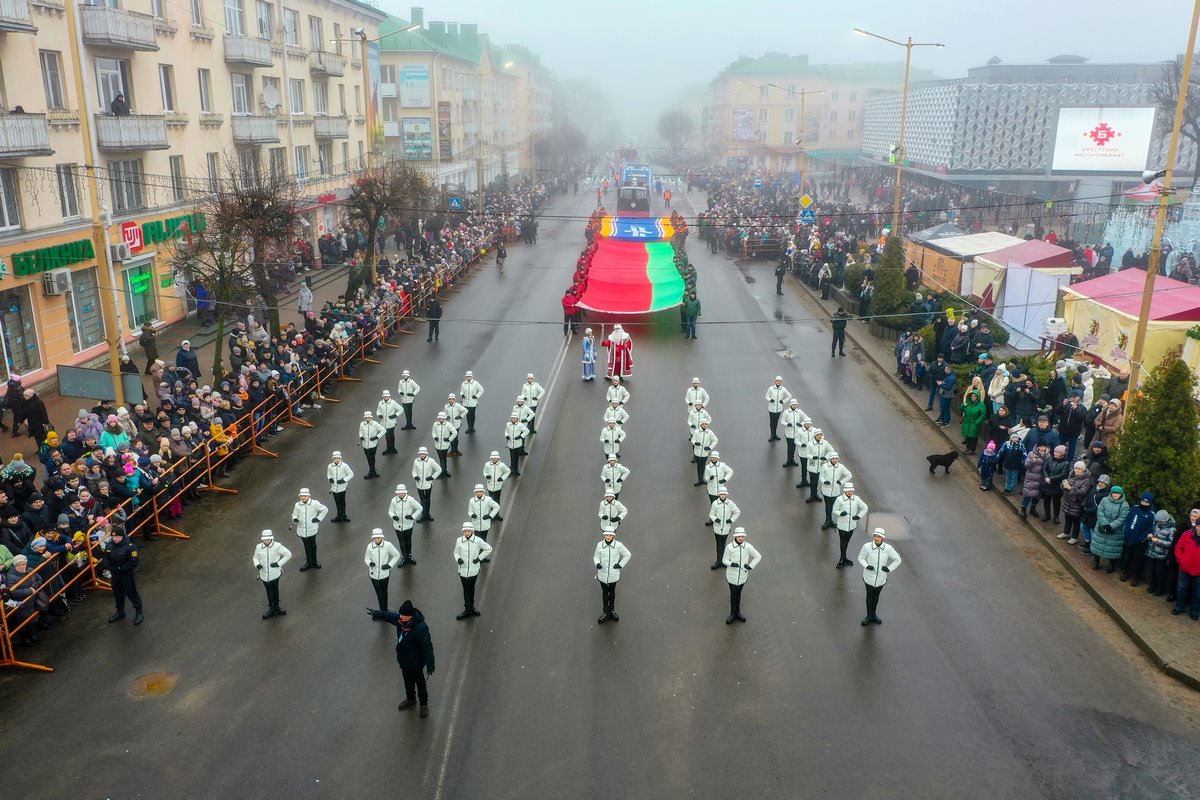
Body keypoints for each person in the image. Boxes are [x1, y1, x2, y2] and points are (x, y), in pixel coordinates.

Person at [369, 600, 436, 718]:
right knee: (407, 681)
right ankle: (410, 699)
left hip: (416, 662)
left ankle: (423, 705)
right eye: (401, 615)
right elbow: (389, 616)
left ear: (411, 616)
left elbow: (427, 647)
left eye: (404, 616)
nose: (402, 618)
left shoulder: (421, 628)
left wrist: (430, 665)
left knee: (420, 684)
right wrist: (376, 613)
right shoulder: (400, 620)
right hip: (404, 660)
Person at [98, 525, 143, 625]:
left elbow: (133, 562)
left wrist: (120, 568)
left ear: (121, 536)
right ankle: (120, 611)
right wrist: (110, 567)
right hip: (115, 575)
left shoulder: (130, 547)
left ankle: (138, 610)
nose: (114, 539)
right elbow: (105, 558)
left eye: (116, 537)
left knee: (132, 593)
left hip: (126, 575)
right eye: (113, 537)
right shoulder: (110, 545)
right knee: (117, 593)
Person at [858, 528, 901, 626]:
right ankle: (869, 616)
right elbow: (860, 558)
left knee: (876, 596)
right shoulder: (867, 547)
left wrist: (889, 568)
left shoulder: (888, 548)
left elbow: (898, 559)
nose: (876, 538)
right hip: (869, 578)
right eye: (875, 536)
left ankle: (874, 614)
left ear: (883, 538)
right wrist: (866, 565)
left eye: (879, 537)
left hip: (881, 578)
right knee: (869, 596)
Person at [453, 522, 492, 620]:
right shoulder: (459, 541)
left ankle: (472, 608)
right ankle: (467, 609)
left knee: (472, 589)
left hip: (474, 570)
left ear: (472, 531)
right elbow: (456, 553)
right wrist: (458, 559)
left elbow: (488, 548)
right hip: (463, 570)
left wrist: (479, 558)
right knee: (466, 590)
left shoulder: (478, 541)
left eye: (468, 531)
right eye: (465, 531)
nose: (466, 533)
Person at [722, 527, 761, 624]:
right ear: (735, 536)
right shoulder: (729, 547)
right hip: (732, 576)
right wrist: (731, 564)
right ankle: (732, 613)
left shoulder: (748, 546)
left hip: (743, 576)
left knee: (739, 594)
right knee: (733, 594)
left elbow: (758, 556)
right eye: (739, 536)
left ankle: (738, 612)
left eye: (742, 536)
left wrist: (751, 566)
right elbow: (724, 560)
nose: (741, 538)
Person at [594, 529, 631, 623]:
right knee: (605, 593)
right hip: (602, 573)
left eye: (610, 535)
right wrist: (597, 563)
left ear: (613, 536)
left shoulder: (619, 545)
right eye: (606, 535)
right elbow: (596, 556)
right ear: (604, 535)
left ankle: (612, 610)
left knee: (612, 592)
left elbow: (627, 554)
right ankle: (605, 612)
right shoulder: (599, 545)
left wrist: (620, 564)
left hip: (613, 574)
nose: (608, 537)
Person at [253, 529, 291, 619]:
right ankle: (272, 609)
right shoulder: (258, 547)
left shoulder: (277, 546)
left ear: (271, 538)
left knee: (275, 590)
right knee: (269, 591)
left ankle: (277, 607)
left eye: (267, 539)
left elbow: (288, 554)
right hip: (264, 574)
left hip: (275, 573)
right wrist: (257, 564)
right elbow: (255, 558)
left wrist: (278, 564)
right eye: (264, 539)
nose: (266, 541)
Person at [1091, 485, 1130, 573]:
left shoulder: (1124, 505)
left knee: (1113, 548)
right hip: (1102, 526)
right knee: (1098, 545)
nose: (1115, 495)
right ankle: (1096, 560)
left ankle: (1112, 564)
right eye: (1114, 493)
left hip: (1115, 530)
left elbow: (1122, 518)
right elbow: (1100, 511)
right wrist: (1105, 523)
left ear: (1121, 494)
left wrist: (1111, 526)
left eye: (1117, 493)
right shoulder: (1104, 500)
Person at [291, 487, 328, 571]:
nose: (303, 497)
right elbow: (294, 515)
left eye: (305, 496)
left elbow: (325, 509)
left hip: (312, 528)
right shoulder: (297, 505)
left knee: (313, 544)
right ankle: (309, 562)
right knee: (306, 545)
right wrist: (295, 519)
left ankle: (314, 561)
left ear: (308, 496)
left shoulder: (315, 503)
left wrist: (318, 518)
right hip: (302, 529)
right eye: (301, 496)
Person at [832, 483, 869, 568]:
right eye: (848, 490)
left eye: (851, 490)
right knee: (843, 543)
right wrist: (840, 513)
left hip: (852, 525)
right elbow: (835, 510)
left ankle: (844, 558)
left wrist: (859, 516)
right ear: (845, 490)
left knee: (846, 542)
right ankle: (842, 559)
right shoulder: (839, 499)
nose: (850, 492)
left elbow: (865, 507)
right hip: (842, 526)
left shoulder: (856, 499)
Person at [365, 528, 402, 611]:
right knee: (379, 593)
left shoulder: (388, 545)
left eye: (378, 537)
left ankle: (385, 608)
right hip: (373, 574)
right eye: (375, 538)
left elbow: (396, 555)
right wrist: (370, 563)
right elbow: (366, 558)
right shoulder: (369, 546)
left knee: (384, 592)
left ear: (381, 537)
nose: (377, 539)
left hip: (384, 574)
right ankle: (382, 610)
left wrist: (389, 565)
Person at [388, 484, 423, 565]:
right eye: (399, 493)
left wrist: (412, 516)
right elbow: (390, 511)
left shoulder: (410, 500)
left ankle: (409, 556)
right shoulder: (394, 500)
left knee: (408, 541)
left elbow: (420, 508)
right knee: (401, 542)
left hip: (408, 525)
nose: (400, 494)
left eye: (402, 492)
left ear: (405, 492)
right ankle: (404, 557)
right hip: (397, 525)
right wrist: (393, 516)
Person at [1172, 523, 1200, 620]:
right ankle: (1179, 607)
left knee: (1197, 592)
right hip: (1184, 568)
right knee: (1181, 588)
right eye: (1199, 525)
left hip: (1198, 572)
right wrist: (1181, 560)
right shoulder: (1187, 534)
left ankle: (1194, 611)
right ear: (1196, 526)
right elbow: (1178, 548)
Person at [708, 487, 741, 568]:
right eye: (721, 494)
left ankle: (723, 561)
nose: (723, 496)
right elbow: (711, 514)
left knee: (723, 545)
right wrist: (715, 519)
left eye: (724, 494)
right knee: (718, 544)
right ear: (719, 495)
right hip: (717, 528)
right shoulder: (715, 503)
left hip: (726, 528)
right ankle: (718, 561)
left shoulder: (730, 503)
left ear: (726, 495)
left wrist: (731, 520)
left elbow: (737, 512)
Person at [818, 452, 852, 529]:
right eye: (833, 458)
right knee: (828, 505)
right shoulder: (825, 466)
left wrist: (841, 482)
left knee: (832, 506)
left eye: (836, 458)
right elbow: (821, 476)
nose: (834, 460)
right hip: (826, 490)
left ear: (838, 459)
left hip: (835, 490)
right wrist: (824, 481)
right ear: (830, 459)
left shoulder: (841, 467)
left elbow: (849, 475)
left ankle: (830, 521)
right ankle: (828, 520)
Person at [411, 448, 441, 521]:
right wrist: (415, 476)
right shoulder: (416, 461)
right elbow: (414, 471)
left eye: (423, 454)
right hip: (419, 484)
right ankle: (423, 515)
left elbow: (439, 469)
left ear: (426, 454)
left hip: (428, 484)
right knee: (422, 499)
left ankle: (427, 514)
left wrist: (432, 477)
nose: (422, 455)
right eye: (420, 454)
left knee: (427, 499)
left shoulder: (431, 461)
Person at [803, 429, 832, 501]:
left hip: (821, 466)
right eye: (818, 435)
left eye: (820, 435)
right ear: (815, 435)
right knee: (813, 481)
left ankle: (816, 495)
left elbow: (831, 450)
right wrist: (812, 457)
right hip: (812, 465)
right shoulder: (810, 444)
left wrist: (826, 457)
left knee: (818, 480)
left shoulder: (825, 443)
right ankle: (812, 495)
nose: (819, 436)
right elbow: (806, 454)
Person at [326, 450, 353, 523]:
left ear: (341, 458)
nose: (336, 460)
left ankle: (343, 515)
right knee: (337, 502)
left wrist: (344, 480)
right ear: (333, 459)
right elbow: (328, 474)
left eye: (338, 458)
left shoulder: (345, 466)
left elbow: (351, 474)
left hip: (342, 488)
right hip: (334, 488)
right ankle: (339, 515)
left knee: (342, 502)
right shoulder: (330, 466)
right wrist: (330, 479)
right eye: (335, 458)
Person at [482, 451, 511, 518]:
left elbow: (508, 471)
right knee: (492, 501)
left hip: (498, 486)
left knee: (497, 500)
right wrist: (487, 476)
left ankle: (497, 514)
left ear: (498, 458)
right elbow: (484, 472)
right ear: (490, 458)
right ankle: (493, 515)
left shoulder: (502, 465)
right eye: (492, 458)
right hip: (490, 486)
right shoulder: (487, 464)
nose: (494, 459)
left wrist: (502, 478)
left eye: (495, 457)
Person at [765, 376, 793, 442]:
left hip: (778, 409)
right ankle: (772, 435)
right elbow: (767, 396)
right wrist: (770, 399)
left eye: (780, 381)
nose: (778, 382)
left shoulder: (783, 389)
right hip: (771, 408)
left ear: (781, 382)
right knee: (772, 422)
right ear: (775, 381)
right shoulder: (771, 388)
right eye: (777, 381)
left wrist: (783, 401)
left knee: (776, 422)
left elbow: (789, 396)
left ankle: (775, 434)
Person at [358, 411, 384, 479]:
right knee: (369, 459)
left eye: (368, 417)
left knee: (372, 458)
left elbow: (383, 430)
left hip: (373, 445)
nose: (367, 419)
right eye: (366, 417)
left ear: (371, 417)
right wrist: (361, 436)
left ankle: (372, 472)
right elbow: (360, 432)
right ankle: (372, 472)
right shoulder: (362, 424)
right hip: (365, 445)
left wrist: (377, 437)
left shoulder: (375, 424)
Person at [690, 420, 717, 485]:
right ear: (701, 425)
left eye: (706, 424)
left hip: (705, 453)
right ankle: (700, 479)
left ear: (708, 425)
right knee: (699, 466)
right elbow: (692, 440)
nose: (705, 425)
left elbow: (715, 440)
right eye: (703, 424)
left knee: (703, 466)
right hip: (697, 453)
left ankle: (702, 479)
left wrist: (710, 447)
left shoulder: (710, 432)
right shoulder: (696, 432)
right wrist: (695, 443)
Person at [780, 399, 806, 467]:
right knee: (790, 447)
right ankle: (789, 460)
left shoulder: (799, 411)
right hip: (789, 433)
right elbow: (782, 421)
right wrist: (787, 424)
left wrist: (801, 424)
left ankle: (792, 459)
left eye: (796, 405)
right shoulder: (786, 412)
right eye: (794, 405)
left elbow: (806, 418)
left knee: (794, 447)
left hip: (797, 433)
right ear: (791, 405)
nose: (795, 406)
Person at [377, 390, 402, 455]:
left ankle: (392, 448)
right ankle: (389, 448)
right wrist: (379, 415)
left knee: (391, 435)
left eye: (387, 396)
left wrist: (395, 415)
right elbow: (378, 411)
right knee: (387, 436)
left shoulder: (393, 403)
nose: (386, 397)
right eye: (384, 396)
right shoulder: (380, 403)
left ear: (389, 396)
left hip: (391, 422)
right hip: (383, 423)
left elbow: (401, 409)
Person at [431, 412, 456, 476]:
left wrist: (449, 439)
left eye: (442, 418)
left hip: (445, 445)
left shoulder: (448, 424)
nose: (441, 419)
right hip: (437, 445)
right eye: (439, 418)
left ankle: (443, 472)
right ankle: (444, 471)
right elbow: (433, 432)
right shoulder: (435, 424)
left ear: (444, 418)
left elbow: (454, 432)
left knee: (443, 458)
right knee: (441, 458)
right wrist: (435, 437)